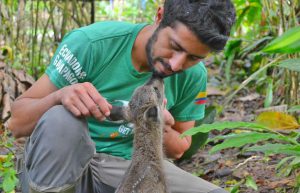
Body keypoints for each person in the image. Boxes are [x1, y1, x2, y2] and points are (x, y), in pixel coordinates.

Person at [9, 0, 236, 193]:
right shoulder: (92, 44)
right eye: (174, 46)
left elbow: (180, 148)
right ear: (160, 16)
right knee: (61, 118)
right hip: (62, 165)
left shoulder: (193, 76)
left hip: (126, 168)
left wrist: (154, 123)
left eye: (193, 58)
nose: (176, 64)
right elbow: (17, 123)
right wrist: (59, 96)